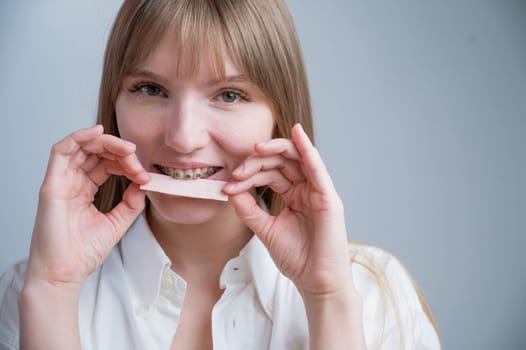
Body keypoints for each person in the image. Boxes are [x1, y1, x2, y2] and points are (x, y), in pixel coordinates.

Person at [0, 0, 440, 349]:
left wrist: (327, 299)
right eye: (151, 90)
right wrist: (53, 290)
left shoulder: (374, 294)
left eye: (228, 94)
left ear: (279, 117)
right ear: (114, 109)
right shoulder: (32, 292)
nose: (183, 137)